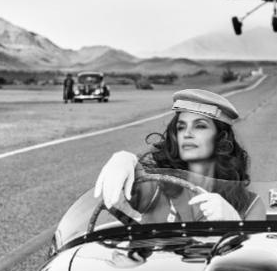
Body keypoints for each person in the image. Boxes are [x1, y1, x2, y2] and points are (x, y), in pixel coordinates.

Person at [94, 89, 266, 223]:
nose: (187, 134)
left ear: (221, 138)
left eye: (200, 126)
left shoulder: (250, 205)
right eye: (181, 127)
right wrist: (124, 159)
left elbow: (256, 261)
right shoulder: (157, 187)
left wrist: (235, 223)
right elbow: (131, 185)